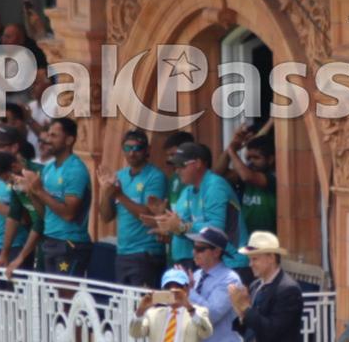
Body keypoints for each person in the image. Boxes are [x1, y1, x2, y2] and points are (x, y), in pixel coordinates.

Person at [229, 232, 308, 342]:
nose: (250, 264)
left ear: (271, 257)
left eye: (255, 259)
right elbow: (250, 330)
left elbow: (272, 330)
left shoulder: (288, 289)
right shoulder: (257, 286)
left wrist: (245, 309)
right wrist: (241, 314)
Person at [159, 142, 248, 275]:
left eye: (181, 165)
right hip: (213, 264)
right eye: (175, 166)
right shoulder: (190, 190)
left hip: (233, 263)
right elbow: (188, 233)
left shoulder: (215, 186)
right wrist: (172, 227)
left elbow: (216, 229)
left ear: (198, 163)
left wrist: (183, 227)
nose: (177, 170)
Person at [22, 118, 92, 277]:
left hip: (70, 243)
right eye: (48, 135)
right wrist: (31, 192)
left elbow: (69, 213)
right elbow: (44, 213)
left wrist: (40, 191)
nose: (48, 140)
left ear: (68, 140)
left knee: (65, 293)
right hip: (50, 240)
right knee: (53, 296)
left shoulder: (75, 170)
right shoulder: (48, 169)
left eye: (54, 136)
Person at [100, 129, 169, 289]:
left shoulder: (155, 177)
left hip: (146, 253)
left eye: (137, 148)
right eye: (127, 148)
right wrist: (106, 192)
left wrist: (120, 195)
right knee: (126, 307)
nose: (131, 153)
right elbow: (106, 217)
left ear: (147, 150)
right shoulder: (120, 176)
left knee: (144, 307)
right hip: (122, 252)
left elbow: (149, 215)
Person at [186, 227, 246, 342]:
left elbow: (211, 315)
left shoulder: (230, 279)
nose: (194, 252)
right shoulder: (196, 276)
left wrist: (189, 293)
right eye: (194, 247)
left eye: (200, 249)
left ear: (216, 252)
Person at [130, 268, 213, 342]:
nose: (172, 292)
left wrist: (188, 306)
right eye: (168, 288)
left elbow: (206, 333)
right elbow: (135, 333)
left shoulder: (198, 311)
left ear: (187, 289)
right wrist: (141, 310)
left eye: (177, 288)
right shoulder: (154, 314)